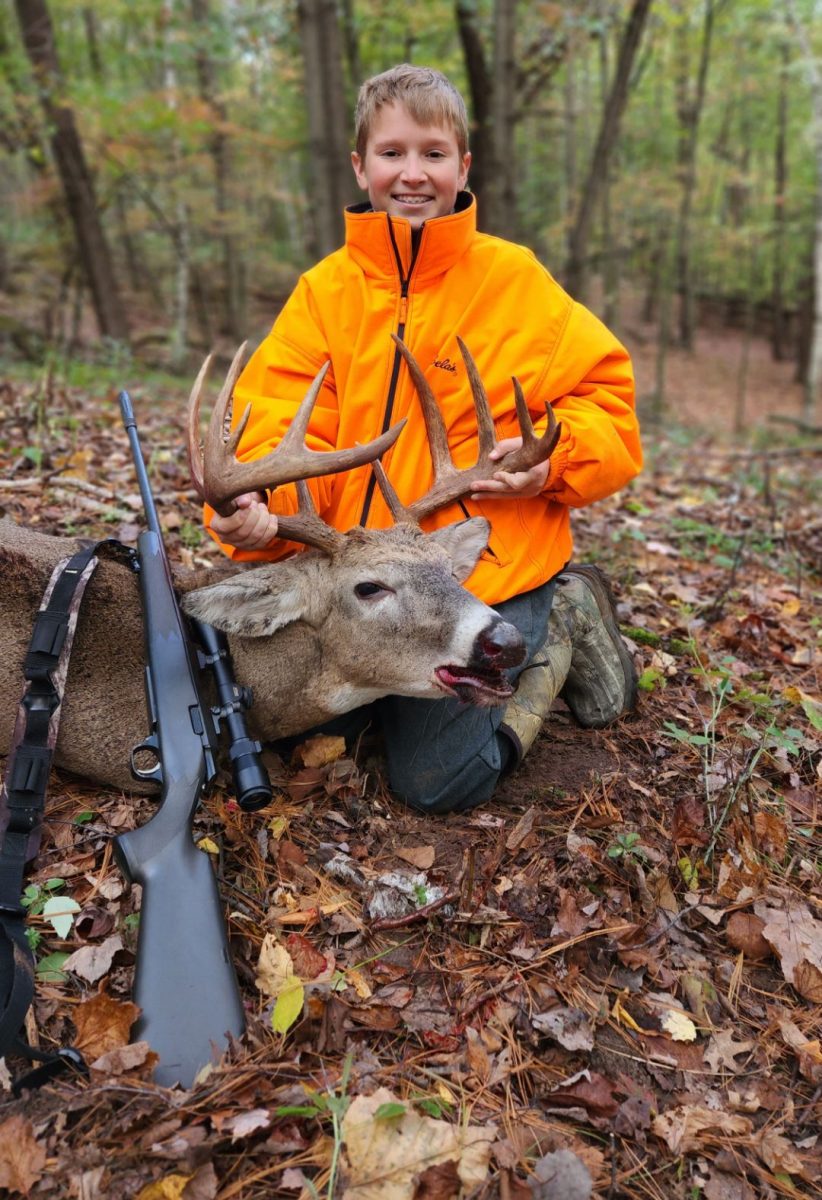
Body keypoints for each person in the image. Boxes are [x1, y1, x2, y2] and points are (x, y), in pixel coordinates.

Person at [205, 64, 642, 815]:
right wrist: (257, 509)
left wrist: (550, 464)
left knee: (436, 780)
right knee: (285, 725)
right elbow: (276, 413)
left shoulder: (516, 282)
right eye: (393, 153)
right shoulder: (324, 293)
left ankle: (563, 622)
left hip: (481, 570)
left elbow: (609, 404)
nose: (413, 174)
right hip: (363, 582)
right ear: (361, 166)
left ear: (463, 166)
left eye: (433, 154)